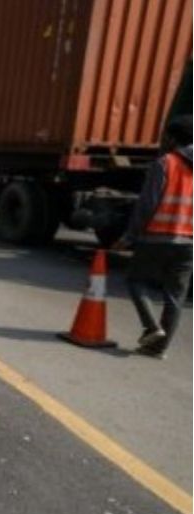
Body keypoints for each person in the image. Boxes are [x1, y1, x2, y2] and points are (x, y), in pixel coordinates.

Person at [114, 115, 193, 359]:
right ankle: (158, 349)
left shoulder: (165, 163)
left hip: (157, 236)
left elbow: (147, 204)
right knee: (175, 296)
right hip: (189, 242)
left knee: (135, 280)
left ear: (172, 138)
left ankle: (151, 327)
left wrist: (129, 236)